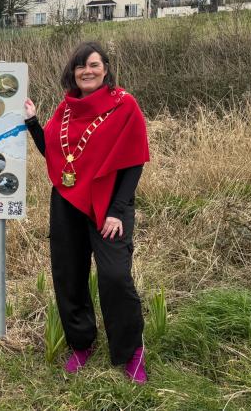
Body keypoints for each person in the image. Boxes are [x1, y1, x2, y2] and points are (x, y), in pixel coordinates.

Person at [24, 41, 150, 383]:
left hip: (111, 206)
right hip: (67, 203)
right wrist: (33, 122)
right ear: (73, 72)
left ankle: (131, 352)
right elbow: (52, 152)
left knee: (115, 276)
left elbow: (135, 161)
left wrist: (116, 211)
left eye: (93, 65)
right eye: (81, 66)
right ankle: (82, 344)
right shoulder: (65, 110)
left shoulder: (124, 105)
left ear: (105, 69)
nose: (87, 71)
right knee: (69, 275)